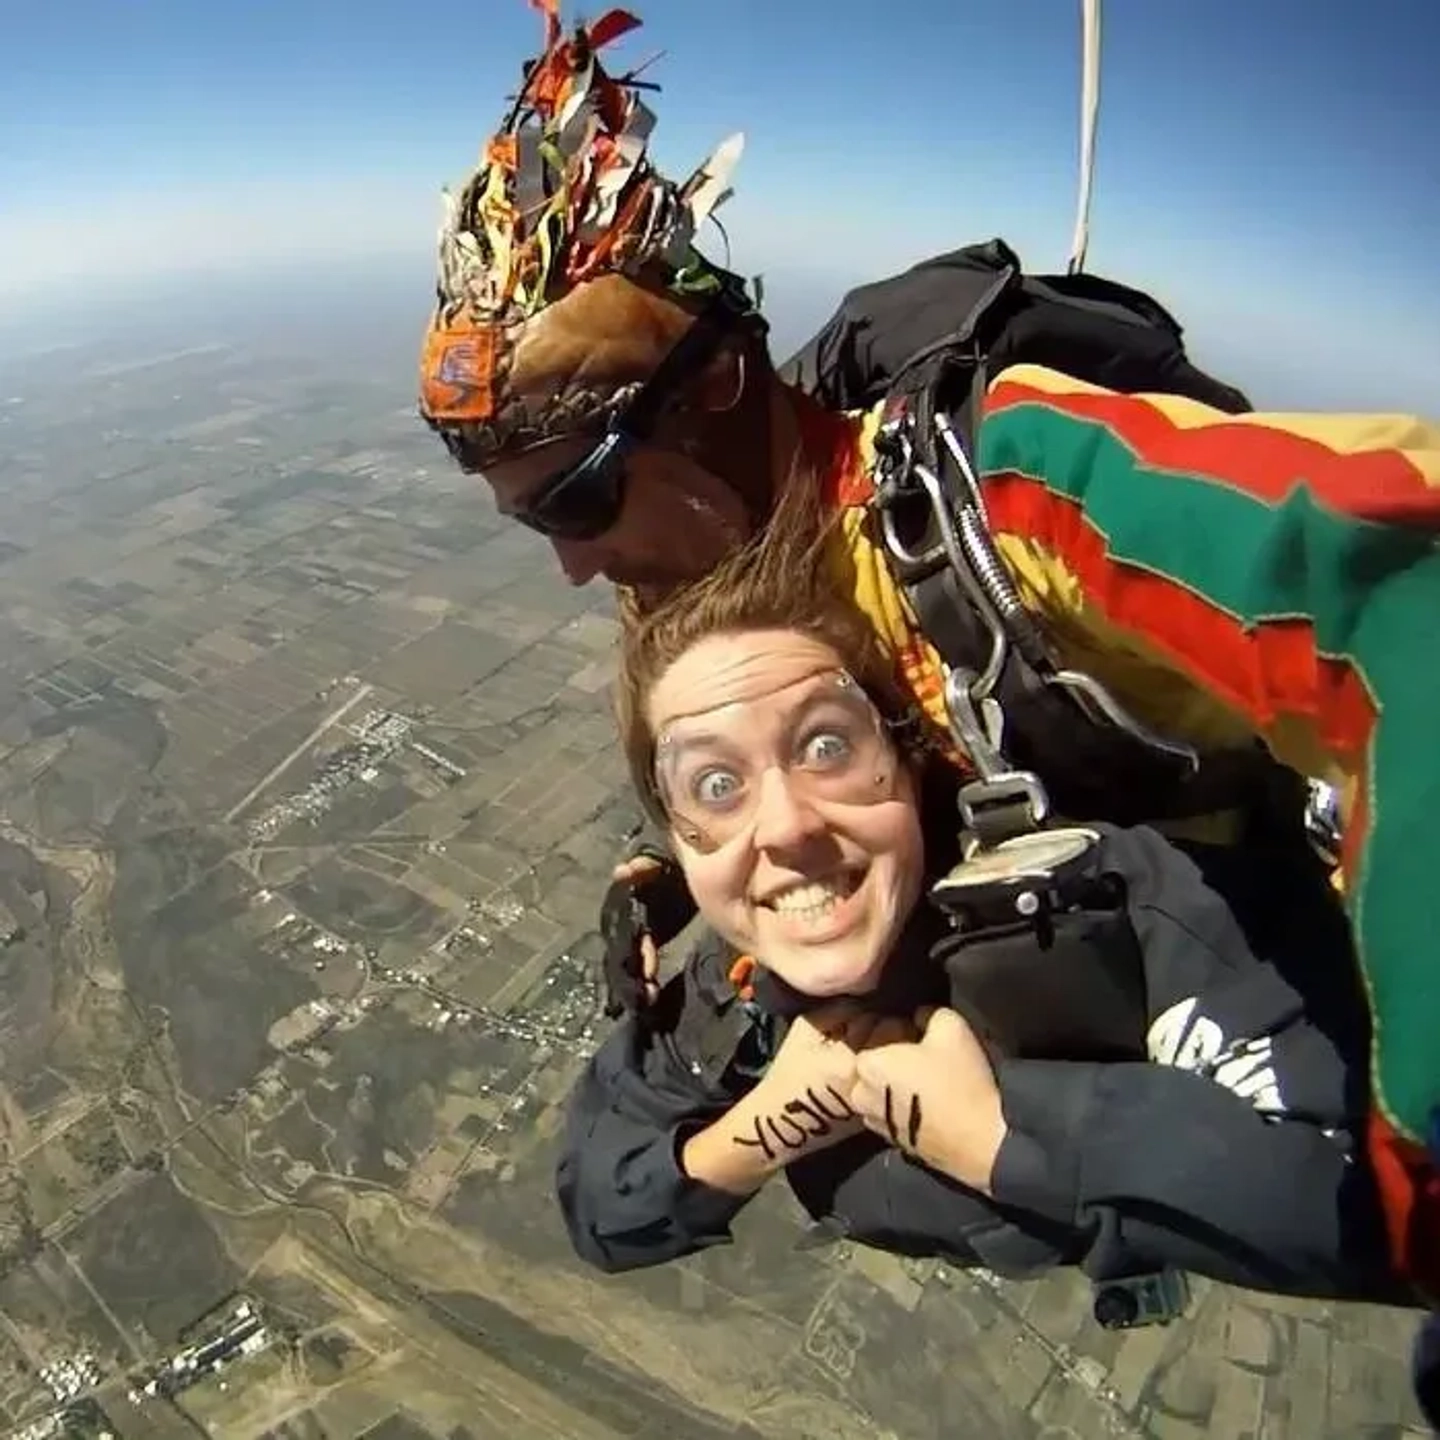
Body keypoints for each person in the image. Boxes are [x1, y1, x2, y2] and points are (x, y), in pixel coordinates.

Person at [417, 0, 1440, 1295]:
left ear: (715, 391)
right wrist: (672, 891)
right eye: (533, 524)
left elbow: (1406, 591)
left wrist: (1422, 1186)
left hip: (1224, 979)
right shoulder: (688, 588)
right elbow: (614, 1194)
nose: (571, 561)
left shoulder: (1006, 486)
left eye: (580, 499)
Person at [555, 479, 1409, 1308]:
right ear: (674, 843)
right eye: (713, 787)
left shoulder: (1096, 914)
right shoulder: (734, 1007)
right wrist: (770, 1124)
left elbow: (1381, 1199)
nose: (783, 827)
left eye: (825, 746)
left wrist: (1007, 1136)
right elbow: (601, 1208)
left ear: (905, 758)